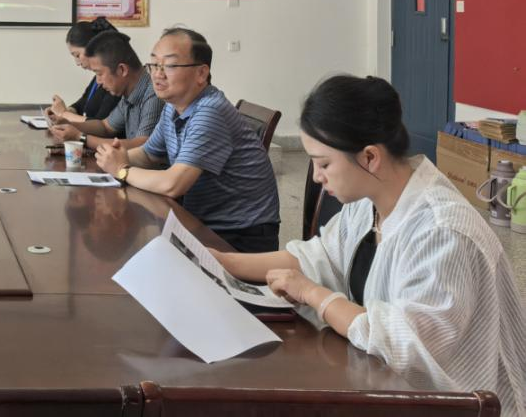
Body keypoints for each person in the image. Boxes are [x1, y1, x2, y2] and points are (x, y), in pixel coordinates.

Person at [211, 75, 526, 412]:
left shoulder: (442, 231)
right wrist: (222, 261)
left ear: (370, 157)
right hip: (388, 385)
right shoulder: (367, 202)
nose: (316, 176)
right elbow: (317, 257)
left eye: (324, 163)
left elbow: (404, 345)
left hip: (457, 403)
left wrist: (313, 294)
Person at [94, 27, 279, 252]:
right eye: (154, 64)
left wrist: (122, 170)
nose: (157, 74)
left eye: (170, 65)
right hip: (201, 222)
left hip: (238, 237)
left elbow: (173, 184)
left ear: (201, 73)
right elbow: (148, 155)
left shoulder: (210, 111)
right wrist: (114, 158)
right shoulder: (173, 106)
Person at [50, 30, 161, 152]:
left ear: (122, 70)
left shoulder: (154, 93)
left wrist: (80, 137)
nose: (98, 82)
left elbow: (142, 146)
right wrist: (68, 123)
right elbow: (105, 126)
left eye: (99, 73)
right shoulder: (129, 92)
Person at [46, 17, 121, 123]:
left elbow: (101, 125)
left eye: (77, 55)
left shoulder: (115, 78)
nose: (77, 63)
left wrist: (64, 114)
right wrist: (61, 112)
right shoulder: (97, 77)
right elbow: (81, 105)